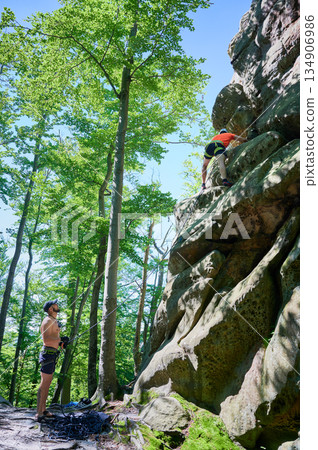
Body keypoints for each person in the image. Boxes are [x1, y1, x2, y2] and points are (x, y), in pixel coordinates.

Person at [35, 299, 69, 421]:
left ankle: (43, 410)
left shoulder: (53, 321)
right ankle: (39, 413)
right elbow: (47, 339)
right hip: (47, 354)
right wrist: (59, 340)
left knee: (47, 383)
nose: (57, 305)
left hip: (52, 354)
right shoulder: (47, 320)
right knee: (44, 383)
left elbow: (54, 339)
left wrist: (61, 342)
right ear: (50, 308)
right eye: (55, 304)